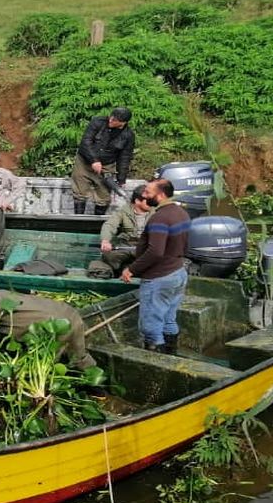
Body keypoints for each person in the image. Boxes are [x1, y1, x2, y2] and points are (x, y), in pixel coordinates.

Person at [0, 279, 96, 369]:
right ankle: (101, 391)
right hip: (68, 313)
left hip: (51, 327)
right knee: (80, 357)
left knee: (44, 366)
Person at [121, 179, 190, 354]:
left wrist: (131, 269)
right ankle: (172, 358)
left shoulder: (160, 218)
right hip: (178, 273)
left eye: (148, 192)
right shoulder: (181, 213)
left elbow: (155, 251)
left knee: (151, 328)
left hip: (159, 279)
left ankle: (156, 368)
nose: (144, 195)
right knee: (168, 320)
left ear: (160, 195)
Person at [72, 106, 134, 215]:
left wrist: (121, 179)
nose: (111, 120)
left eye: (115, 120)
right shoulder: (97, 122)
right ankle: (78, 221)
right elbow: (85, 142)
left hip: (107, 165)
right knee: (79, 193)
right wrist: (94, 160)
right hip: (84, 162)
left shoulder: (128, 135)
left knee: (104, 196)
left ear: (122, 123)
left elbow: (124, 157)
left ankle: (97, 225)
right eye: (111, 117)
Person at [96, 186, 153, 276]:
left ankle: (132, 269)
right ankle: (124, 270)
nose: (152, 202)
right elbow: (110, 225)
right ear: (138, 201)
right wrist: (105, 240)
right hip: (127, 246)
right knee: (109, 256)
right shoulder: (123, 211)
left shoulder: (156, 212)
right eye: (148, 200)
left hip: (146, 247)